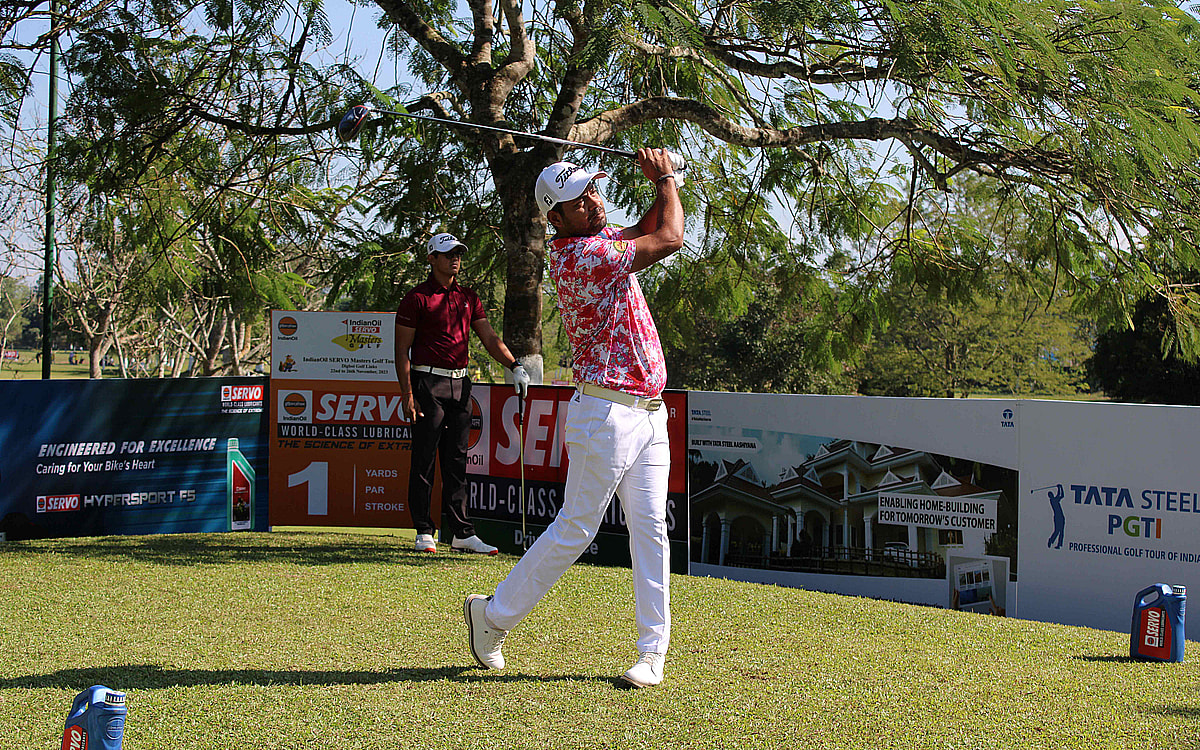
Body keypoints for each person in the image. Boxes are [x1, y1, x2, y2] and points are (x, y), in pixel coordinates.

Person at [464, 148, 683, 688]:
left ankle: (651, 654)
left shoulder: (599, 239)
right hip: (605, 414)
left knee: (651, 531)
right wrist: (668, 178)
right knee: (576, 529)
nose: (593, 200)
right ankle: (492, 617)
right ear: (556, 219)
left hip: (649, 415)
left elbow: (647, 224)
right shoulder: (578, 257)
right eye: (579, 200)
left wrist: (656, 181)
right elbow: (670, 238)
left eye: (592, 190)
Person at [395, 232, 531, 555]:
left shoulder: (469, 297)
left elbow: (488, 337)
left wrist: (514, 365)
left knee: (457, 461)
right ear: (432, 259)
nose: (455, 258)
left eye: (458, 253)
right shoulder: (417, 299)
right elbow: (402, 351)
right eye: (448, 253)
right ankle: (424, 530)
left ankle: (461, 532)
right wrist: (408, 394)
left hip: (460, 385)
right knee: (424, 460)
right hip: (427, 384)